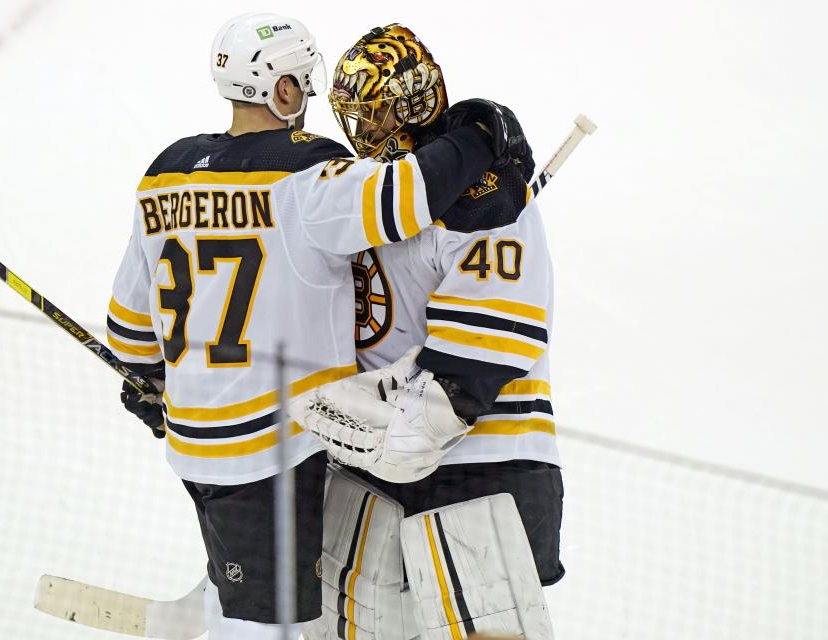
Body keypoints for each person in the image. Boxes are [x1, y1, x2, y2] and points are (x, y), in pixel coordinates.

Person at [107, 12, 534, 640]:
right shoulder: (309, 174)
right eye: (303, 83)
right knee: (273, 623)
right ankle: (233, 617)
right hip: (272, 443)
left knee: (256, 587)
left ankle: (222, 602)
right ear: (282, 89)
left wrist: (146, 385)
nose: (307, 99)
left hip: (192, 442)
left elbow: (130, 333)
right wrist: (475, 138)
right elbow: (405, 194)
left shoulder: (164, 172)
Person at [293, 24, 563, 640]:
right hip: (368, 465)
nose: (362, 135)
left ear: (416, 101)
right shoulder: (374, 197)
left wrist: (426, 420)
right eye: (353, 119)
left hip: (483, 465)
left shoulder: (489, 200)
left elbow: (491, 346)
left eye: (377, 115)